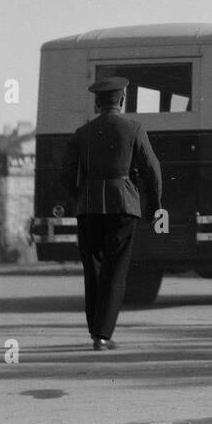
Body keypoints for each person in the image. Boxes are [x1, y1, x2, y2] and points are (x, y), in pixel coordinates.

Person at [57, 76, 163, 351]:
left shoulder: (83, 133)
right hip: (123, 205)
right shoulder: (134, 128)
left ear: (97, 102)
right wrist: (154, 206)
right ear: (123, 100)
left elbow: (66, 173)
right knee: (115, 271)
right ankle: (102, 334)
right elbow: (152, 170)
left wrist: (78, 197)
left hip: (89, 206)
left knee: (92, 270)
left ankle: (95, 330)